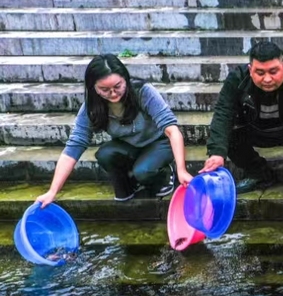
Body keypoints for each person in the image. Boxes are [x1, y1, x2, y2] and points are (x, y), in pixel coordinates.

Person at [35, 55, 193, 206]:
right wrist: (52, 191)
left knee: (144, 171)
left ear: (125, 79)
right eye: (104, 89)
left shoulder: (143, 92)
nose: (112, 93)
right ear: (94, 88)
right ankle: (131, 183)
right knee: (105, 154)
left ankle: (165, 174)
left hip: (158, 142)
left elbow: (172, 130)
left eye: (117, 86)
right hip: (128, 145)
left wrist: (182, 169)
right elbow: (74, 146)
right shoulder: (92, 106)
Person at [201, 41, 283, 193]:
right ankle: (259, 173)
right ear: (250, 70)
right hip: (255, 129)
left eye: (273, 71)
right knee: (226, 136)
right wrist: (217, 153)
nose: (267, 79)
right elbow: (223, 114)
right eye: (260, 73)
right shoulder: (236, 80)